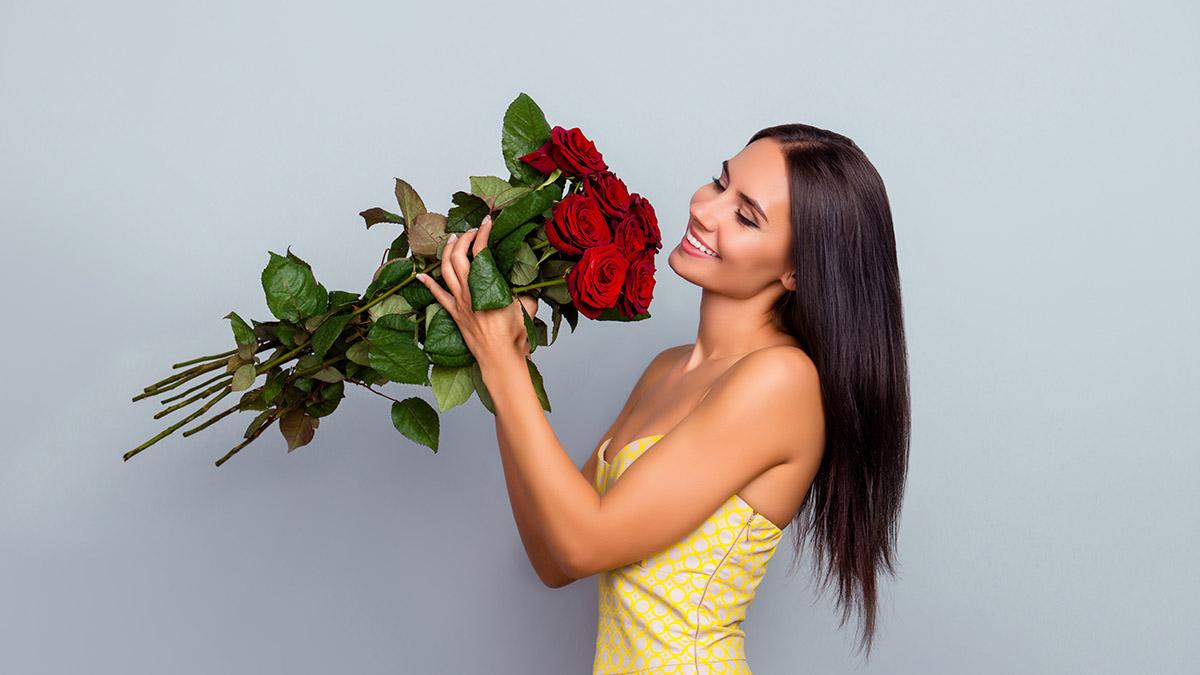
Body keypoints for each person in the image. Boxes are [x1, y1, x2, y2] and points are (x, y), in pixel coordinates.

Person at [415, 123, 910, 673]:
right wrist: (507, 362)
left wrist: (502, 364)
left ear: (796, 270)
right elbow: (554, 559)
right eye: (719, 183)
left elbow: (584, 544)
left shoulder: (782, 380)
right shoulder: (666, 369)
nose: (705, 210)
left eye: (746, 216)